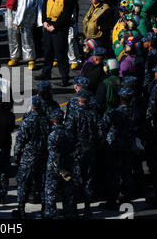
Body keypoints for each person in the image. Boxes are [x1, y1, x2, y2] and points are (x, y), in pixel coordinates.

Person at [98, 87, 140, 210]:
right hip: (128, 146)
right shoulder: (135, 112)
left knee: (113, 175)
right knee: (127, 172)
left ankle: (112, 200)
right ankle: (126, 197)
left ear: (120, 98)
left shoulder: (113, 113)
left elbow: (102, 126)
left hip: (115, 147)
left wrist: (104, 138)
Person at [35, 0, 76, 86]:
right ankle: (46, 72)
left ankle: (64, 77)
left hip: (60, 28)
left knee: (60, 53)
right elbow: (44, 6)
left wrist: (55, 26)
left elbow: (66, 13)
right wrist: (44, 21)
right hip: (48, 24)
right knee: (47, 51)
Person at [13, 97, 51, 218]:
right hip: (43, 155)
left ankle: (21, 209)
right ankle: (45, 208)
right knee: (43, 183)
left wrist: (17, 156)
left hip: (28, 157)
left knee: (24, 183)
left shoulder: (27, 121)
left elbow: (20, 141)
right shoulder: (47, 120)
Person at [3, 0, 43, 70]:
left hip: (25, 13)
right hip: (11, 11)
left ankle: (30, 58)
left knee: (26, 35)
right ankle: (14, 56)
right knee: (12, 34)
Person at [65, 89, 99, 217]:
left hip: (77, 150)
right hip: (90, 149)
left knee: (75, 180)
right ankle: (87, 208)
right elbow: (100, 130)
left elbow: (69, 132)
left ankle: (73, 208)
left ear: (79, 100)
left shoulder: (74, 114)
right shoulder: (93, 114)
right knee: (88, 178)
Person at [43, 108, 80, 219]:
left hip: (55, 168)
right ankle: (69, 212)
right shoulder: (69, 133)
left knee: (50, 191)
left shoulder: (52, 135)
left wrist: (59, 169)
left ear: (53, 120)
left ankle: (51, 213)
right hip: (68, 165)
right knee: (67, 191)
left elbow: (54, 155)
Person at [63, 0, 86, 70]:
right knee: (60, 32)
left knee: (72, 33)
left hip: (72, 6)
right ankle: (61, 57)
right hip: (59, 5)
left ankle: (75, 57)